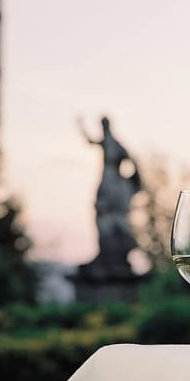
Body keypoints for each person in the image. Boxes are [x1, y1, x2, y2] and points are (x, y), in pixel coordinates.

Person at [78, 116, 141, 278]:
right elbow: (90, 141)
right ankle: (106, 254)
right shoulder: (107, 140)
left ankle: (115, 255)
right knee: (102, 208)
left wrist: (133, 175)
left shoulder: (113, 142)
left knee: (107, 208)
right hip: (108, 174)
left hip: (111, 174)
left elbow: (129, 157)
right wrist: (81, 127)